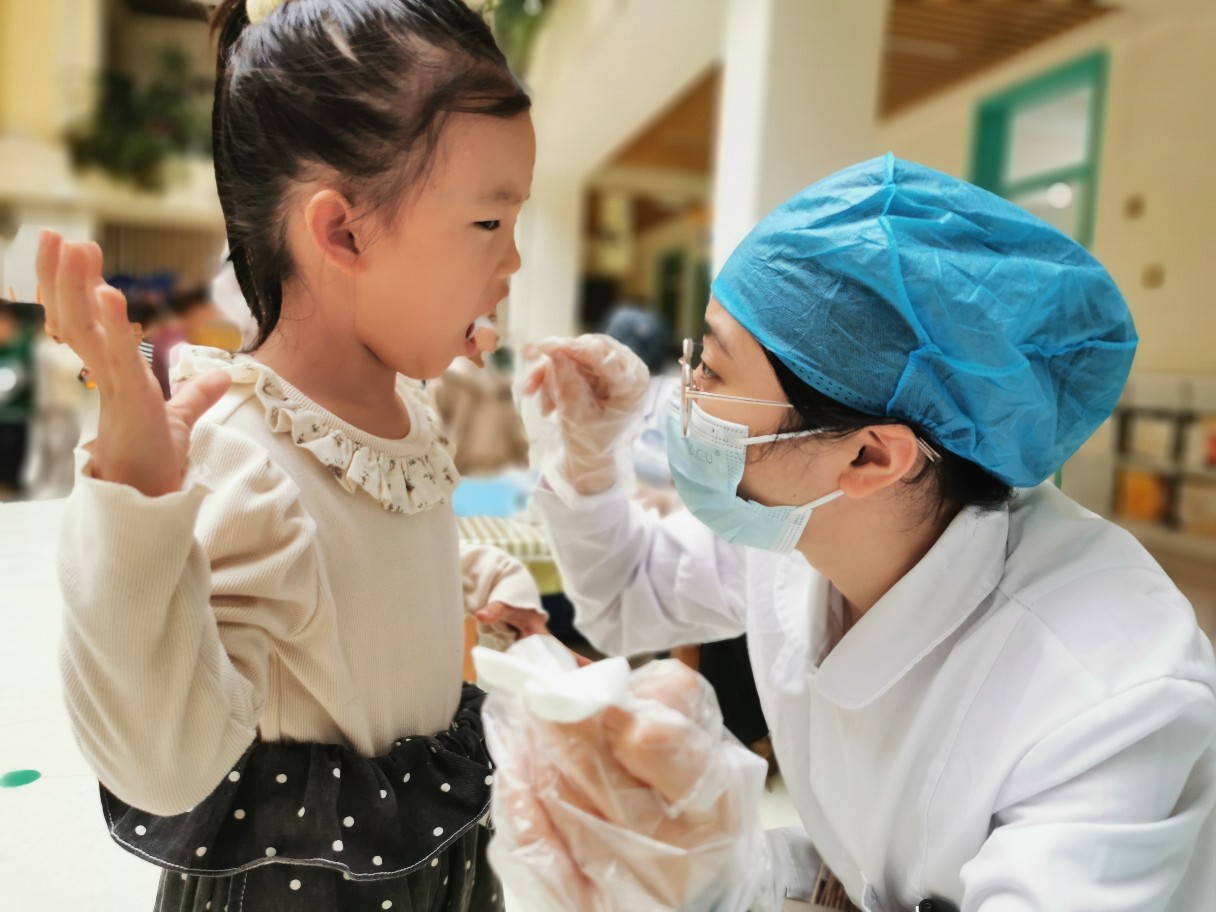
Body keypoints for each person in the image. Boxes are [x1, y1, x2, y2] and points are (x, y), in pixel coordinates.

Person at [499, 155, 1216, 910]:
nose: (687, 395)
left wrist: (716, 883)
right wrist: (586, 463)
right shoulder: (805, 530)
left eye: (711, 369)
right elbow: (629, 593)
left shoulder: (1111, 696)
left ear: (871, 457)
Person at [39, 0, 542, 909]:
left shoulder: (403, 411)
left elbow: (367, 571)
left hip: (432, 867)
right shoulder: (248, 462)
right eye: (488, 225)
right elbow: (163, 759)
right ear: (343, 232)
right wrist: (136, 505)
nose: (513, 261)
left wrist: (477, 584)